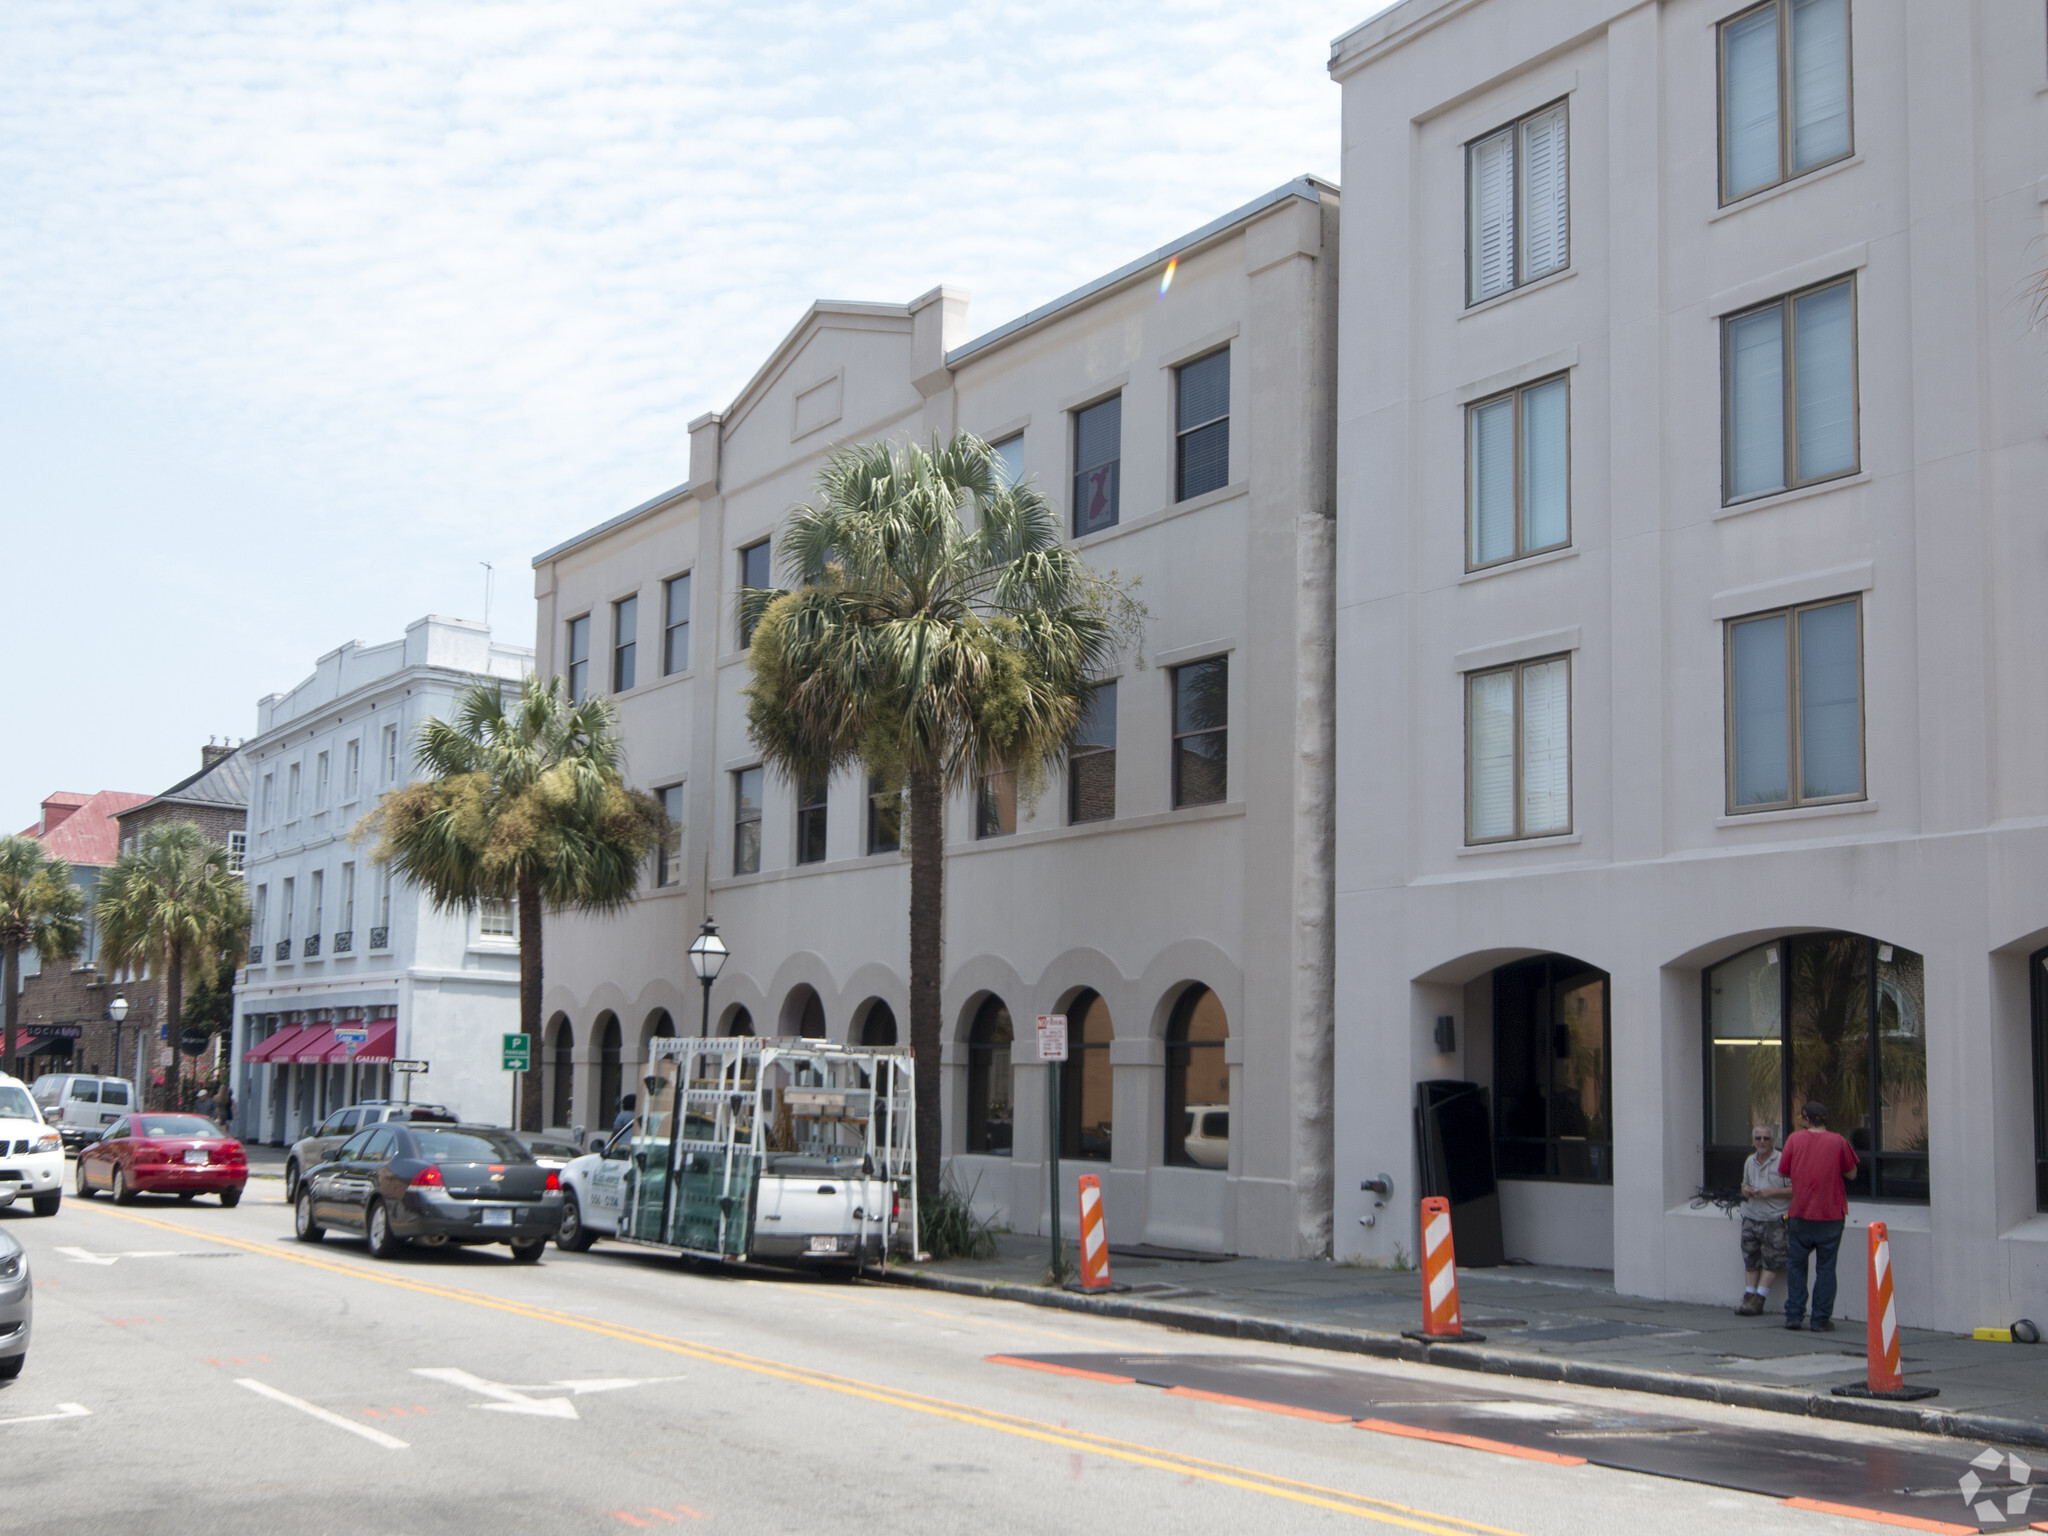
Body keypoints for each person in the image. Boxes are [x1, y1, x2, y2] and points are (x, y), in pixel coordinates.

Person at [1777, 1100, 1859, 1331]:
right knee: (1826, 1268)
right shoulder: (1838, 1141)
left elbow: (1783, 1171)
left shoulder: (1794, 1139)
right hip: (1831, 1214)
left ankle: (1794, 1315)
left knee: (1796, 1266)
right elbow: (1852, 1173)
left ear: (1806, 1119)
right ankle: (1820, 1319)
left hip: (1800, 1212)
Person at [1736, 1124, 1791, 1315]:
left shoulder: (1782, 1160)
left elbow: (1795, 1189)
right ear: (1753, 1141)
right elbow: (1744, 1185)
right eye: (1758, 1138)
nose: (1762, 1142)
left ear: (1773, 1141)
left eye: (1766, 1138)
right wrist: (1746, 1191)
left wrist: (1771, 1193)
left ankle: (1760, 1298)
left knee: (1772, 1259)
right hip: (1751, 1216)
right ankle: (1749, 1295)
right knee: (1750, 1258)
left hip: (1775, 1218)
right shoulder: (1750, 1161)